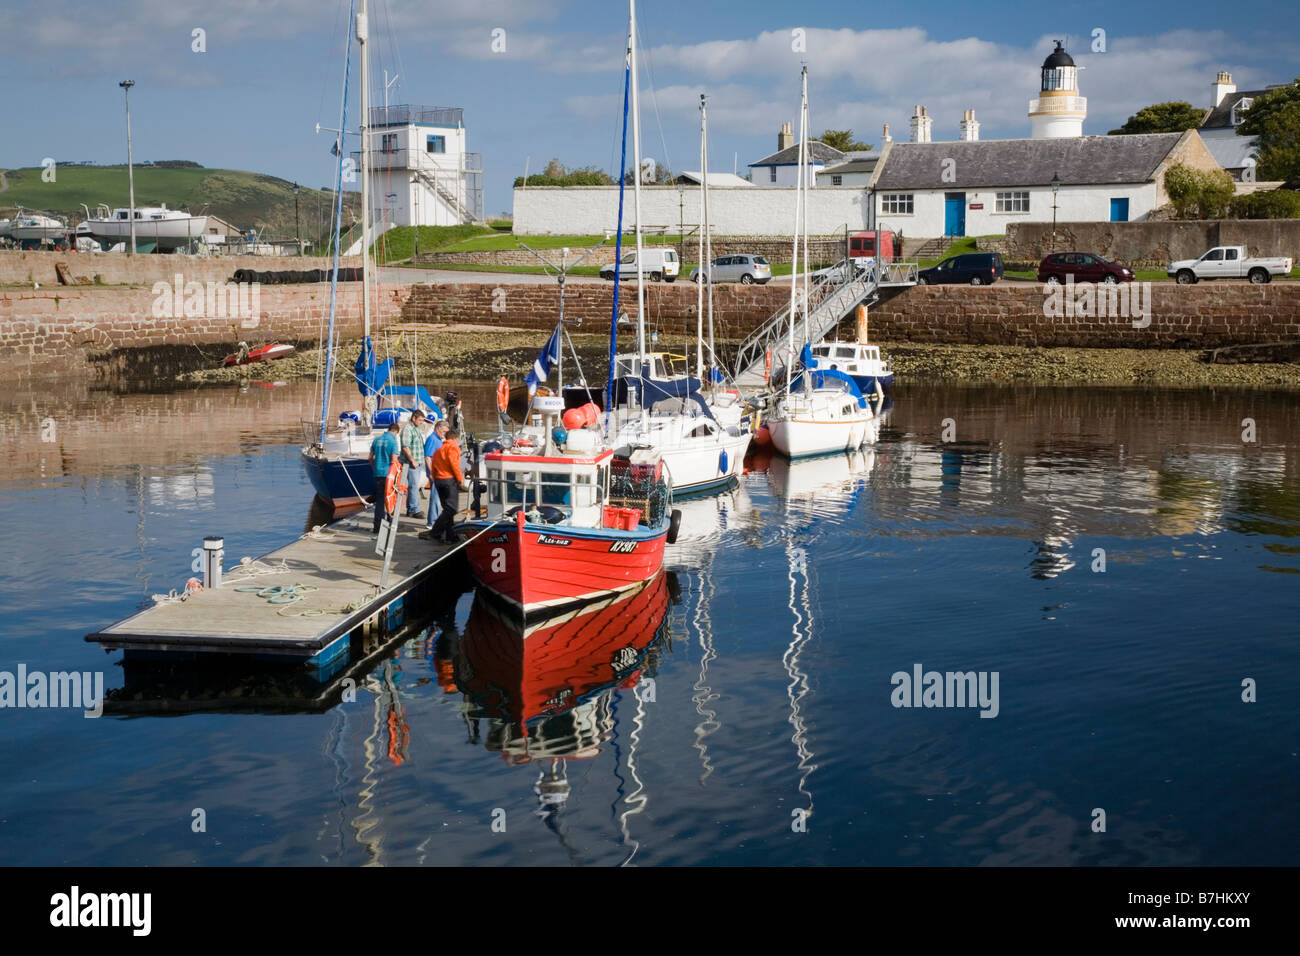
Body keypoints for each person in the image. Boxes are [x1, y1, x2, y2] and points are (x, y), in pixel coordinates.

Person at [426, 428, 466, 544]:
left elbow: (433, 465)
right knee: (452, 509)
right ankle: (436, 531)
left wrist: (434, 477)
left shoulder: (439, 450)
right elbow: (454, 464)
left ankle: (450, 536)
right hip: (448, 480)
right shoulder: (453, 447)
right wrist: (459, 479)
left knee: (447, 509)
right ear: (455, 438)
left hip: (439, 481)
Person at [368, 422, 401, 535]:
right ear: (396, 432)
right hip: (389, 475)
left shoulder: (376, 440)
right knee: (390, 499)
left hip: (378, 474)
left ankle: (377, 527)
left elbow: (370, 458)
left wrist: (375, 468)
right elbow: (394, 460)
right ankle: (390, 524)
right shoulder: (393, 441)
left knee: (380, 500)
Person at [421, 419, 449, 534]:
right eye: (443, 432)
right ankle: (432, 522)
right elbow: (428, 457)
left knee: (438, 498)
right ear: (438, 429)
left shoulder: (438, 439)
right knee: (435, 498)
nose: (444, 434)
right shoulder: (432, 439)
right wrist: (432, 473)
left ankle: (434, 520)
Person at [399, 410, 427, 518]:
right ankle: (415, 510)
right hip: (411, 463)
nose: (421, 422)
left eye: (422, 420)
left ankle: (410, 509)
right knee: (414, 486)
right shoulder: (407, 429)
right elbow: (405, 447)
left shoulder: (416, 428)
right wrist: (412, 460)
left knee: (413, 486)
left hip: (418, 462)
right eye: (420, 420)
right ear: (414, 418)